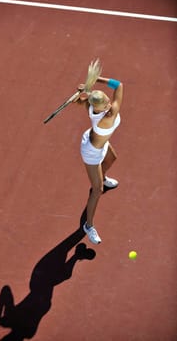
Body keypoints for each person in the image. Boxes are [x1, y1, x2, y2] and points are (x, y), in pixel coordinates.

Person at [75, 60, 123, 244]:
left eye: (108, 100)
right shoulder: (109, 116)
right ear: (100, 108)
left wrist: (93, 82)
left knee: (112, 158)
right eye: (105, 103)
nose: (110, 104)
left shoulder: (92, 107)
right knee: (97, 190)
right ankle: (89, 225)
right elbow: (119, 86)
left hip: (99, 141)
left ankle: (101, 176)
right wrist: (89, 88)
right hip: (91, 152)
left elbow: (118, 85)